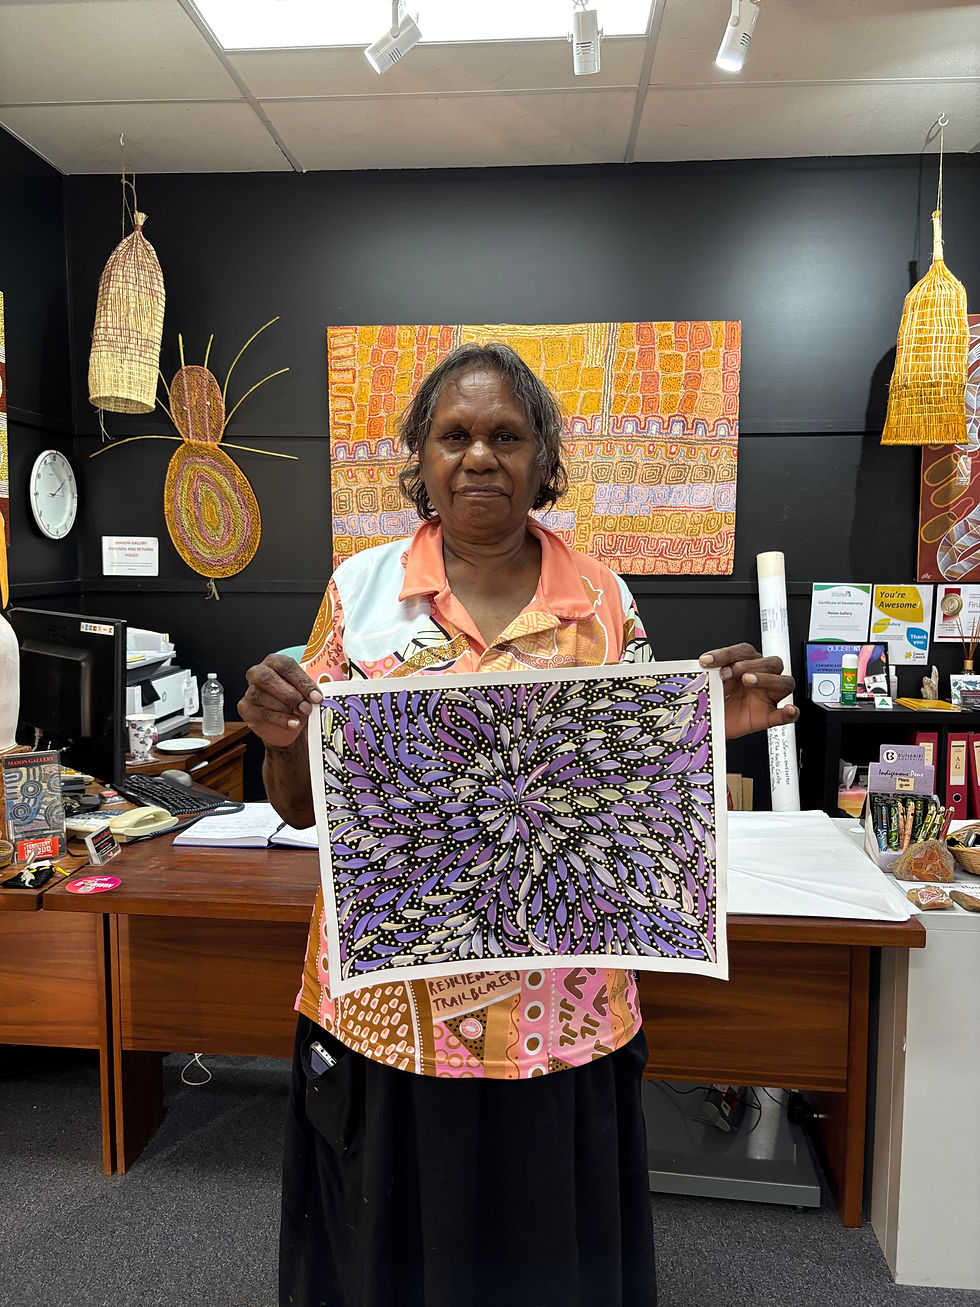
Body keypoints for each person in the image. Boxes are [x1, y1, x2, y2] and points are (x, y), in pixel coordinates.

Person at [239, 343, 797, 1307]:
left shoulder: (607, 602)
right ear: (421, 455)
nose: (481, 456)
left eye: (507, 434)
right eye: (455, 435)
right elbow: (301, 805)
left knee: (550, 1263)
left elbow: (637, 802)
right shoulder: (361, 594)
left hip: (561, 1017)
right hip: (390, 1016)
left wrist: (711, 732)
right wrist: (283, 737)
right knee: (390, 1260)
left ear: (544, 457)